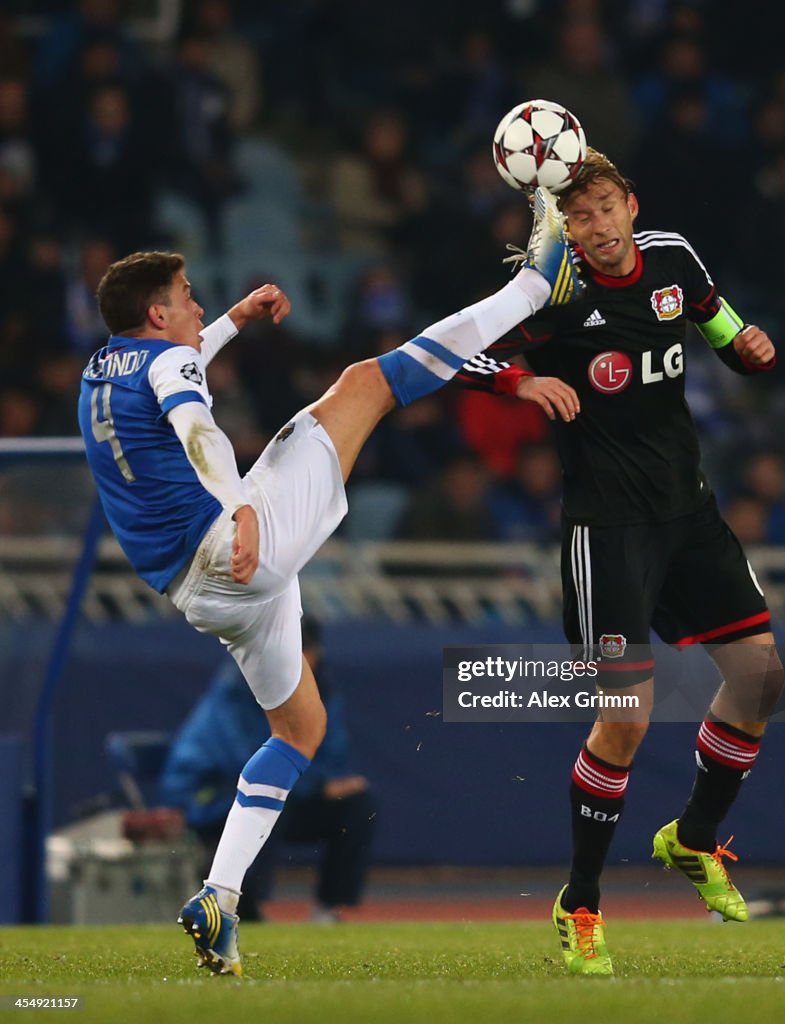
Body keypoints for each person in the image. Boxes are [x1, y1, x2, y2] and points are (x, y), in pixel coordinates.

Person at [77, 187, 581, 976]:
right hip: (235, 543)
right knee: (365, 384)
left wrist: (231, 324)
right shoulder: (169, 361)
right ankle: (528, 288)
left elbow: (169, 372)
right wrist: (241, 508)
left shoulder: (101, 373)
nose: (195, 303)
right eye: (185, 299)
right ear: (155, 314)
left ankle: (219, 895)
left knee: (298, 733)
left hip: (197, 593)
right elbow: (193, 422)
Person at [456, 149, 785, 976]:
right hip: (607, 530)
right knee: (627, 720)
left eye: (604, 207)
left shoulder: (672, 257)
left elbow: (720, 329)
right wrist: (519, 385)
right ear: (559, 226)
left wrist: (746, 345)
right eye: (576, 216)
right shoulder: (550, 290)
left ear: (629, 204)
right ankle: (581, 902)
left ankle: (693, 839)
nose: (594, 226)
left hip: (689, 514)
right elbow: (454, 352)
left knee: (761, 682)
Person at [160, 616, 375, 924]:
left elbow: (333, 752)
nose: (304, 660)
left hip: (290, 790)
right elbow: (249, 763)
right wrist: (318, 785)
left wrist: (328, 784)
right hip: (209, 795)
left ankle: (329, 909)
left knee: (357, 805)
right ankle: (241, 908)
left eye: (308, 652)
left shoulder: (321, 690)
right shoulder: (238, 687)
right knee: (267, 796)